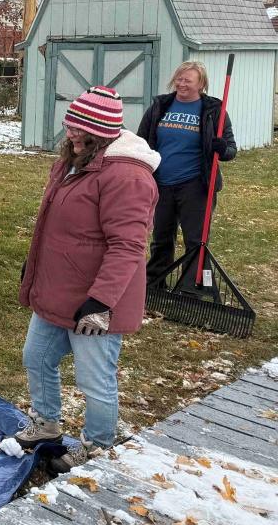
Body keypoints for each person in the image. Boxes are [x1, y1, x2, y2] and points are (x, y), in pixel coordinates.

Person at [15, 87, 160, 473]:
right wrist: (34, 271)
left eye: (82, 131)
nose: (72, 136)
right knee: (37, 357)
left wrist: (101, 301)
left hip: (97, 300)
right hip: (57, 290)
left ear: (104, 134)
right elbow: (54, 229)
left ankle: (97, 445)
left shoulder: (127, 176)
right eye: (71, 127)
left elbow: (128, 246)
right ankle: (46, 424)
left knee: (93, 378)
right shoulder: (71, 163)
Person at [137, 61, 237, 287]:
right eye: (179, 79)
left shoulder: (214, 111)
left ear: (201, 84)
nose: (181, 84)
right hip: (160, 182)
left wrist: (222, 149)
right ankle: (155, 282)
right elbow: (141, 139)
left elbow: (231, 149)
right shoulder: (160, 106)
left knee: (196, 240)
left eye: (187, 81)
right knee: (161, 237)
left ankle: (192, 287)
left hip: (195, 184)